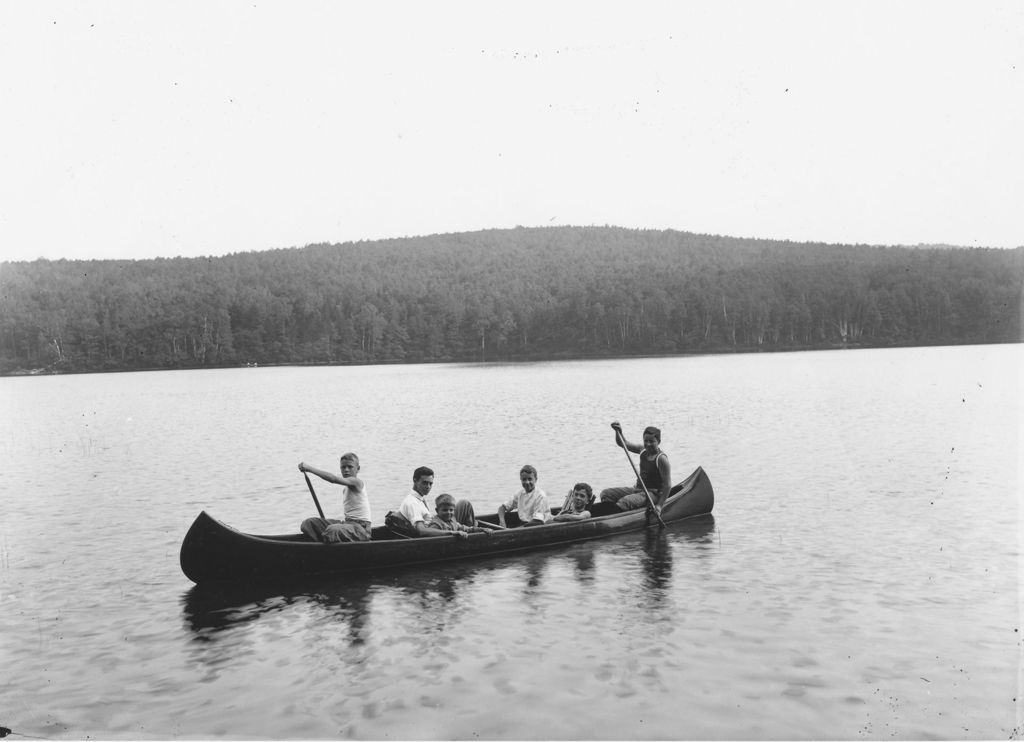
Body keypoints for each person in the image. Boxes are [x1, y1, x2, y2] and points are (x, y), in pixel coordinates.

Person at [298, 453, 372, 542]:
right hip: (348, 524)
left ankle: (328, 541)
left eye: (350, 467)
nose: (346, 470)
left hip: (361, 529)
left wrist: (309, 468)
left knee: (332, 530)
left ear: (358, 469)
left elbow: (334, 479)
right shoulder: (346, 489)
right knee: (308, 523)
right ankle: (323, 543)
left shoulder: (356, 482)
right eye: (343, 467)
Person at [599, 422, 672, 513]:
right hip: (638, 489)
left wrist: (659, 506)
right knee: (606, 494)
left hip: (653, 494)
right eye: (646, 441)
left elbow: (668, 486)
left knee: (625, 502)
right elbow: (623, 443)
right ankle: (608, 514)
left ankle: (616, 514)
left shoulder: (661, 459)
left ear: (658, 442)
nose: (648, 444)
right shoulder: (642, 450)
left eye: (652, 441)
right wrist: (619, 432)